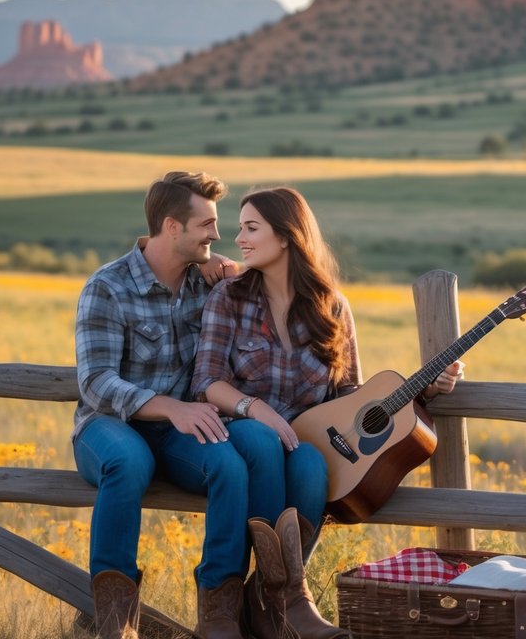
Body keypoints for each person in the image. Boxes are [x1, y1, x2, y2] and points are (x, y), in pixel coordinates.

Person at [190, 187, 463, 639]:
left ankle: (280, 599)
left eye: (251, 228)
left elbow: (348, 393)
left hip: (306, 440)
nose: (238, 239)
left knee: (313, 468)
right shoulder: (229, 298)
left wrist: (425, 390)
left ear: (286, 237)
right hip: (241, 430)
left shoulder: (332, 307)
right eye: (240, 227)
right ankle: (235, 604)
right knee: (261, 441)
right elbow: (206, 382)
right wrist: (257, 411)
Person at [72, 171, 239, 639]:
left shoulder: (207, 285)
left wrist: (232, 269)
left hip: (174, 434)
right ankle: (114, 623)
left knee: (228, 463)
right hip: (106, 426)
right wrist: (170, 406)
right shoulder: (107, 286)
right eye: (206, 224)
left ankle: (219, 613)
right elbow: (96, 382)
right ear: (171, 226)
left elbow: (267, 293)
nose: (216, 234)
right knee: (127, 460)